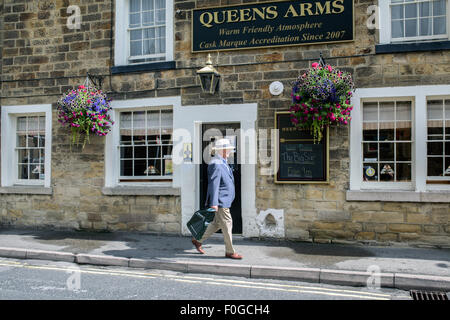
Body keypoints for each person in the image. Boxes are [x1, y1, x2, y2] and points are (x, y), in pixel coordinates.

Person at [191, 138, 243, 259]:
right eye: (228, 150)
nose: (230, 152)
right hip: (220, 201)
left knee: (216, 224)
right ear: (223, 150)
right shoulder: (216, 163)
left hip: (225, 200)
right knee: (227, 223)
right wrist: (214, 203)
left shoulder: (223, 162)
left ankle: (197, 239)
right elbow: (214, 184)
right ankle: (230, 251)